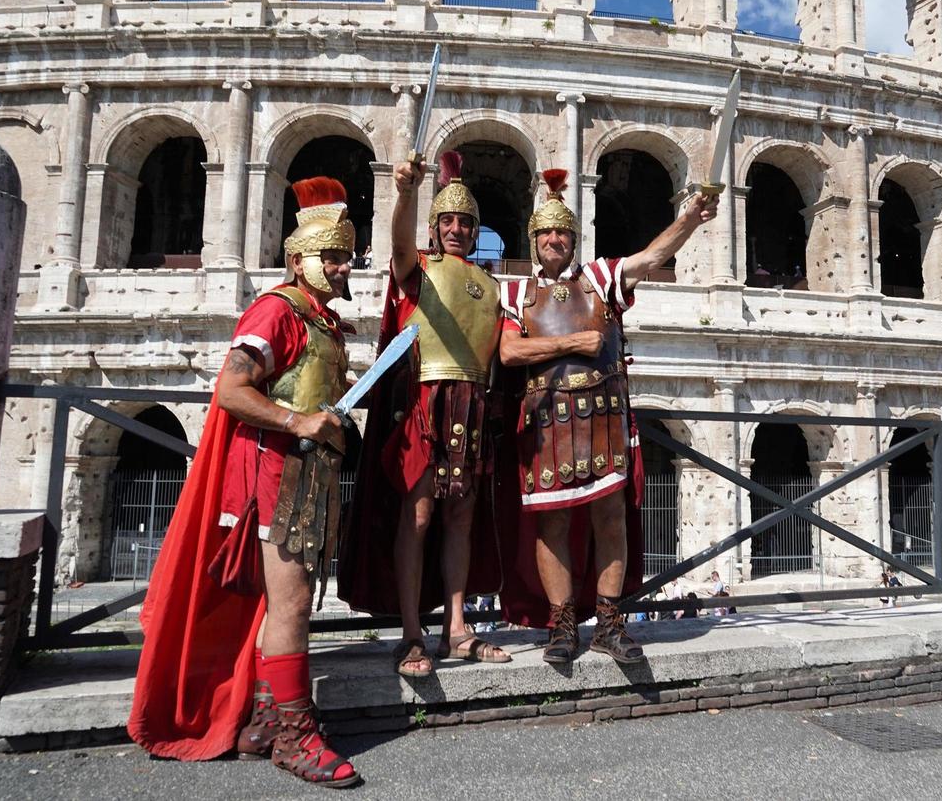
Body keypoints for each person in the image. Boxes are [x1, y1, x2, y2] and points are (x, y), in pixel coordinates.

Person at [128, 177, 361, 787]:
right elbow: (232, 391)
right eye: (330, 256)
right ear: (297, 258)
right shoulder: (276, 310)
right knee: (290, 606)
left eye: (345, 255)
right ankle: (294, 734)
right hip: (274, 481)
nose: (342, 267)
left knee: (284, 602)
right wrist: (301, 418)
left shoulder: (321, 321)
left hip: (305, 477)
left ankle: (263, 718)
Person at [498, 169, 718, 662]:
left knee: (611, 518)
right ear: (533, 240)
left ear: (574, 240)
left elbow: (653, 256)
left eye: (564, 233)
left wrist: (690, 219)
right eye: (546, 233)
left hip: (602, 417)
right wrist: (574, 342)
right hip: (545, 423)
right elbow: (510, 355)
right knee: (550, 525)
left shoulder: (599, 278)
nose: (555, 240)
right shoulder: (515, 294)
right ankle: (561, 625)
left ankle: (609, 621)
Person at [337, 151, 510, 677]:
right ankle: (412, 633)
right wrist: (407, 192)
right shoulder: (418, 266)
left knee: (462, 517)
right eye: (448, 222)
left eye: (465, 222)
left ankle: (456, 628)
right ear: (435, 229)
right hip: (425, 404)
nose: (456, 229)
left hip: (472, 405)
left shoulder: (492, 286)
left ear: (476, 230)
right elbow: (394, 243)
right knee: (418, 516)